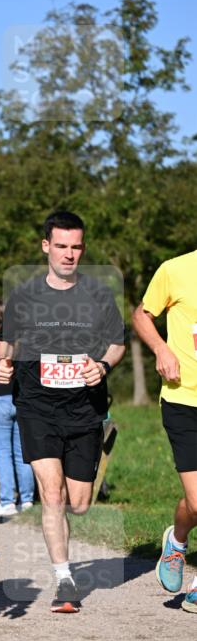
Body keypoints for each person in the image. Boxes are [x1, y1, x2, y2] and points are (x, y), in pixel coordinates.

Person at [0, 211, 125, 613]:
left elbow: (117, 343)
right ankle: (64, 580)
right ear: (46, 246)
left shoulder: (99, 295)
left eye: (76, 247)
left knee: (79, 502)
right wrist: (4, 363)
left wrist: (101, 366)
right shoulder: (25, 296)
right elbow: (7, 343)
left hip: (84, 408)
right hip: (37, 406)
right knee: (52, 494)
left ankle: (95, 449)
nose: (70, 254)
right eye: (62, 246)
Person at [132, 249, 197, 614]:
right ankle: (177, 540)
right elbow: (141, 314)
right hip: (183, 399)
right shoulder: (176, 270)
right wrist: (160, 348)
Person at [0, 299, 35, 516]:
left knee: (2, 452)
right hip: (20, 396)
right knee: (23, 452)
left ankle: (7, 501)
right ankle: (27, 500)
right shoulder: (27, 339)